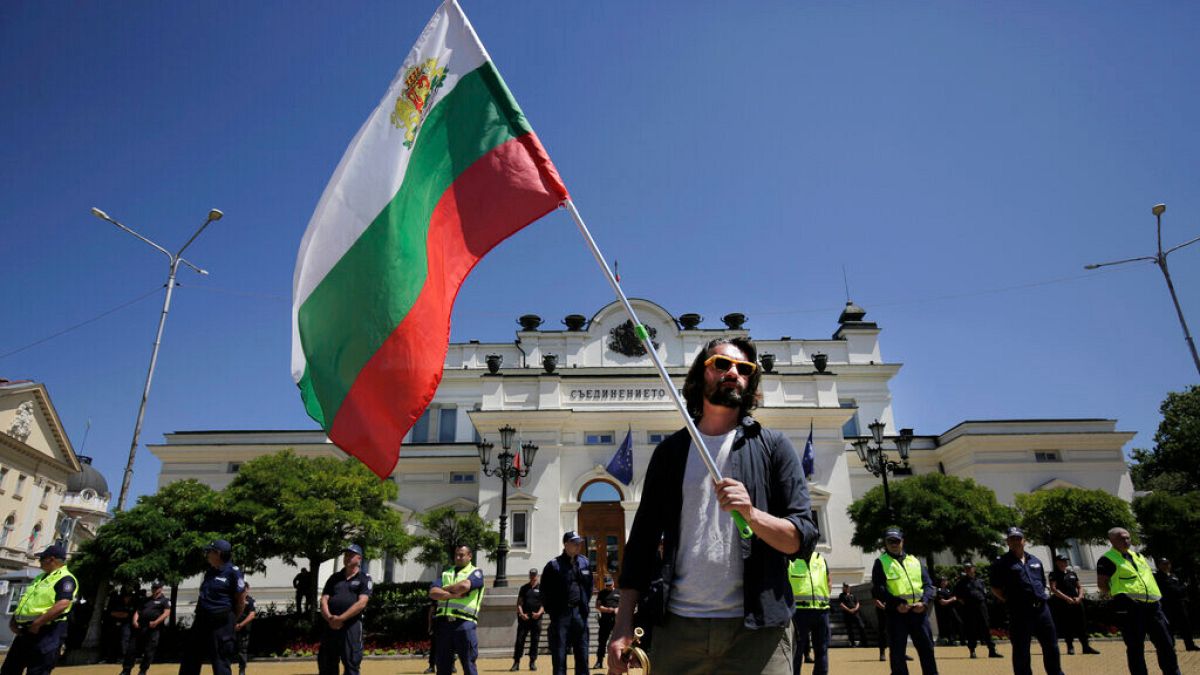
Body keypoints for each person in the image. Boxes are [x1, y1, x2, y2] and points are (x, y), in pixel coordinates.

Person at [607, 337, 819, 675]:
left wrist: (752, 514)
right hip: (677, 630)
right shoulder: (670, 454)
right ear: (699, 375)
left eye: (744, 369)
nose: (733, 372)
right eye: (722, 364)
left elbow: (801, 540)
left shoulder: (774, 447)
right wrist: (622, 626)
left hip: (758, 633)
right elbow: (642, 545)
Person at [1096, 527, 1180, 675]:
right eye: (1121, 538)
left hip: (1154, 608)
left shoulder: (1138, 556)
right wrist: (1121, 597)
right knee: (1136, 649)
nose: (1126, 540)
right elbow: (1102, 585)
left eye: (1128, 537)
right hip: (1131, 610)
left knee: (1166, 644)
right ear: (1112, 541)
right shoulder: (1107, 559)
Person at [990, 527, 1062, 675]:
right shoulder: (1001, 563)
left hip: (1042, 609)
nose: (1016, 541)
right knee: (1021, 649)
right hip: (1020, 612)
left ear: (1024, 540)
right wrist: (1011, 601)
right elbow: (995, 588)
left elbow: (1041, 582)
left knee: (1051, 646)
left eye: (1018, 538)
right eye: (1012, 539)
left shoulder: (1035, 560)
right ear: (1007, 542)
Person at [2, 544, 77, 674]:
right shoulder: (40, 577)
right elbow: (27, 601)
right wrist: (14, 620)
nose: (40, 561)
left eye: (42, 558)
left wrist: (38, 623)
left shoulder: (66, 579)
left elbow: (63, 604)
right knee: (9, 669)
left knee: (38, 670)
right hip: (25, 631)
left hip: (47, 632)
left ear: (51, 559)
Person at [872, 528, 937, 675]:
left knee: (927, 649)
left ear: (902, 541)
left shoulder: (915, 561)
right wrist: (896, 604)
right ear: (885, 543)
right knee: (897, 652)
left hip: (918, 612)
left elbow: (928, 585)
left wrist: (925, 602)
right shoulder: (881, 562)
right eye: (890, 541)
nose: (894, 544)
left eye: (896, 541)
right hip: (897, 614)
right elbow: (879, 589)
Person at [179, 539, 246, 675]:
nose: (207, 555)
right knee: (190, 657)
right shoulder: (210, 572)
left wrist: (232, 620)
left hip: (221, 624)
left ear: (218, 553)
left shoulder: (233, 572)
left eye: (209, 552)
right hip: (202, 621)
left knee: (220, 661)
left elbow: (240, 600)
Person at [541, 531, 592, 675]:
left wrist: (584, 606)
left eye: (579, 543)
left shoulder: (584, 562)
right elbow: (544, 592)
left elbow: (589, 587)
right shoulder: (553, 565)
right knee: (559, 657)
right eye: (575, 543)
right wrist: (554, 613)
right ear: (566, 544)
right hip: (561, 616)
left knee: (582, 655)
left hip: (579, 615)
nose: (578, 546)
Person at [430, 544, 485, 675]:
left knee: (468, 665)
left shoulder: (476, 572)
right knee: (442, 666)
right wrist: (453, 594)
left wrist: (444, 588)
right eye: (456, 555)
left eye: (462, 555)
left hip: (464, 623)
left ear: (470, 556)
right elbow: (432, 592)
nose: (458, 557)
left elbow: (465, 586)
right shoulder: (446, 573)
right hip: (444, 625)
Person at [319, 544, 373, 675]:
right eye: (346, 555)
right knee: (327, 662)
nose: (347, 557)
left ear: (359, 558)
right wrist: (330, 618)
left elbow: (362, 603)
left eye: (351, 555)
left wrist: (341, 618)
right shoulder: (334, 578)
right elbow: (324, 600)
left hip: (351, 626)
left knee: (351, 663)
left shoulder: (364, 578)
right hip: (331, 626)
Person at [789, 550, 830, 675]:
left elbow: (828, 580)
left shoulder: (820, 559)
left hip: (821, 611)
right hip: (798, 612)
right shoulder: (790, 560)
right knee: (797, 651)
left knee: (822, 650)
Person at [1048, 553, 1098, 655]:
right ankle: (1070, 647)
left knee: (1082, 625)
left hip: (1076, 601)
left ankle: (1086, 647)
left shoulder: (1072, 573)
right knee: (1067, 625)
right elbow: (1053, 588)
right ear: (1057, 563)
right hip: (1063, 603)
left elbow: (1079, 586)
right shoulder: (1054, 574)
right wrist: (1066, 598)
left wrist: (1080, 597)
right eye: (1061, 562)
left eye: (1065, 561)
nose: (1064, 563)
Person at [121, 580, 172, 675]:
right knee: (131, 649)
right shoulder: (146, 600)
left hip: (153, 629)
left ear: (161, 589)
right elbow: (138, 611)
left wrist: (156, 622)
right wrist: (134, 620)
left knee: (149, 651)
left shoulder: (165, 601)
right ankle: (126, 670)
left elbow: (166, 613)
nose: (154, 589)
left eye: (156, 588)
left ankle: (143, 670)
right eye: (153, 587)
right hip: (140, 627)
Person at [953, 562, 1001, 659]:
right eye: (966, 568)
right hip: (969, 607)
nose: (968, 570)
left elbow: (984, 593)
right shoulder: (961, 582)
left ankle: (992, 650)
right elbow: (958, 597)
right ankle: (972, 651)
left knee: (986, 627)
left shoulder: (980, 581)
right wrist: (967, 604)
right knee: (971, 629)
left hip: (981, 606)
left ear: (974, 569)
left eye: (970, 568)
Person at [1154, 558, 1199, 652]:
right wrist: (1184, 587)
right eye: (1163, 564)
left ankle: (1190, 645)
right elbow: (1172, 590)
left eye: (1167, 563)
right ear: (1159, 566)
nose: (1166, 566)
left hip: (1180, 604)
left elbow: (1179, 588)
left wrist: (1182, 588)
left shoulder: (1173, 575)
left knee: (1186, 625)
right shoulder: (1159, 577)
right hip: (1168, 605)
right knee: (1170, 626)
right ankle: (1170, 645)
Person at [513, 568, 544, 672]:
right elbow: (519, 603)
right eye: (531, 575)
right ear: (529, 575)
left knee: (534, 641)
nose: (533, 577)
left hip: (536, 619)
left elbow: (544, 604)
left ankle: (532, 662)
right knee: (519, 641)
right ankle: (516, 662)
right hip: (524, 619)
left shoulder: (542, 588)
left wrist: (539, 613)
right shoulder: (524, 588)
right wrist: (522, 614)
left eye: (534, 575)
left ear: (537, 576)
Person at [594, 578, 619, 670]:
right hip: (605, 620)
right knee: (602, 642)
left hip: (617, 620)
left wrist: (618, 609)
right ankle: (599, 661)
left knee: (619, 641)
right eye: (607, 585)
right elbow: (597, 606)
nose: (608, 587)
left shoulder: (619, 592)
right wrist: (608, 610)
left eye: (610, 585)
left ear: (613, 583)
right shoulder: (602, 593)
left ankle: (623, 661)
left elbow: (624, 604)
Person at [234, 582, 257, 675]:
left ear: (248, 589)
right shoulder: (234, 599)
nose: (243, 591)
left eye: (244, 589)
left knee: (242, 651)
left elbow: (252, 615)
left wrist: (240, 625)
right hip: (232, 628)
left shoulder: (251, 601)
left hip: (243, 629)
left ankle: (242, 670)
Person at [108, 587, 136, 663]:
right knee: (114, 640)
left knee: (125, 640)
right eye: (126, 597)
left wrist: (119, 614)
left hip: (126, 625)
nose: (128, 598)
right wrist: (121, 614)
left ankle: (125, 657)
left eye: (129, 597)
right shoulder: (116, 602)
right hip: (115, 625)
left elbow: (128, 615)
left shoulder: (131, 604)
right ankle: (112, 658)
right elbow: (111, 613)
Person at [837, 583, 867, 648]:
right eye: (846, 587)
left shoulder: (853, 595)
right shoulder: (841, 595)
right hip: (847, 614)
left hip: (855, 613)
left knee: (861, 626)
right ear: (843, 588)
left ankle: (864, 642)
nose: (847, 588)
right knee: (850, 629)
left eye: (848, 587)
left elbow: (857, 603)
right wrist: (849, 610)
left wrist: (855, 608)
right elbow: (841, 604)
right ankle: (852, 643)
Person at [933, 578, 961, 646]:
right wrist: (950, 600)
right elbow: (943, 602)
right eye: (942, 581)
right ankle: (944, 640)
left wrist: (949, 600)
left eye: (945, 580)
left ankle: (952, 640)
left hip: (950, 611)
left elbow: (955, 597)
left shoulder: (949, 590)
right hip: (942, 612)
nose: (944, 582)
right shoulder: (939, 590)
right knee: (944, 626)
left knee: (954, 625)